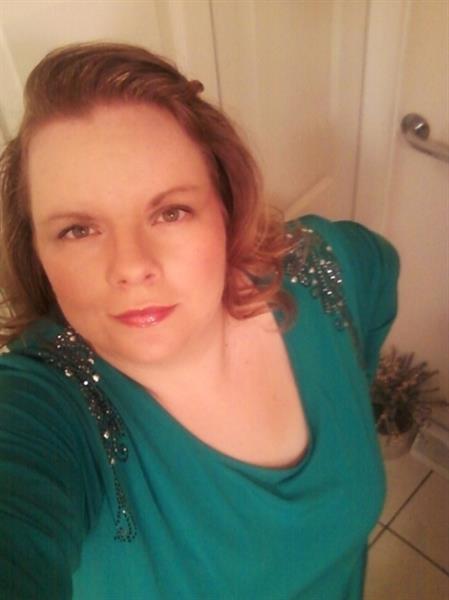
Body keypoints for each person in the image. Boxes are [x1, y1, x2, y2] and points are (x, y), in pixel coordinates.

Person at [0, 42, 399, 599]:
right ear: (38, 252)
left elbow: (378, 269)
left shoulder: (325, 269)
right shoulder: (42, 408)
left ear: (225, 209)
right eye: (78, 229)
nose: (131, 266)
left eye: (171, 212)